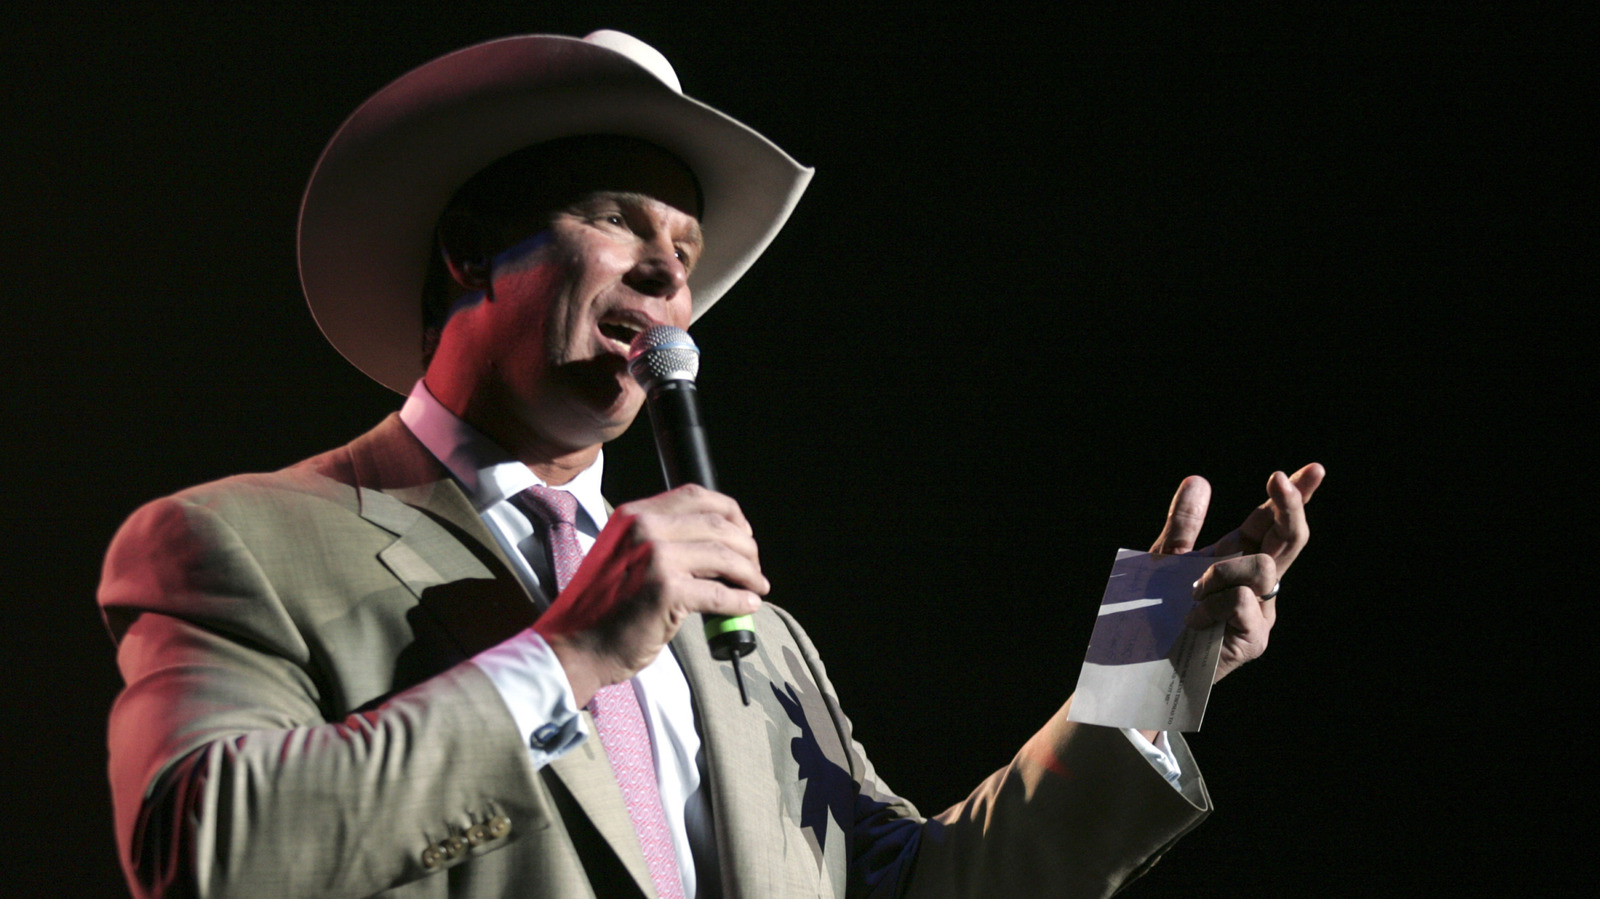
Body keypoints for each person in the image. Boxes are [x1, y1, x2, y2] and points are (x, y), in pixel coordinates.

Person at [99, 30, 1323, 899]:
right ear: (471, 250)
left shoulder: (750, 631)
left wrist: (1143, 675)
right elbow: (207, 851)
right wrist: (569, 652)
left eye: (685, 250)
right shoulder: (240, 541)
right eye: (615, 218)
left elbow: (917, 884)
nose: (666, 271)